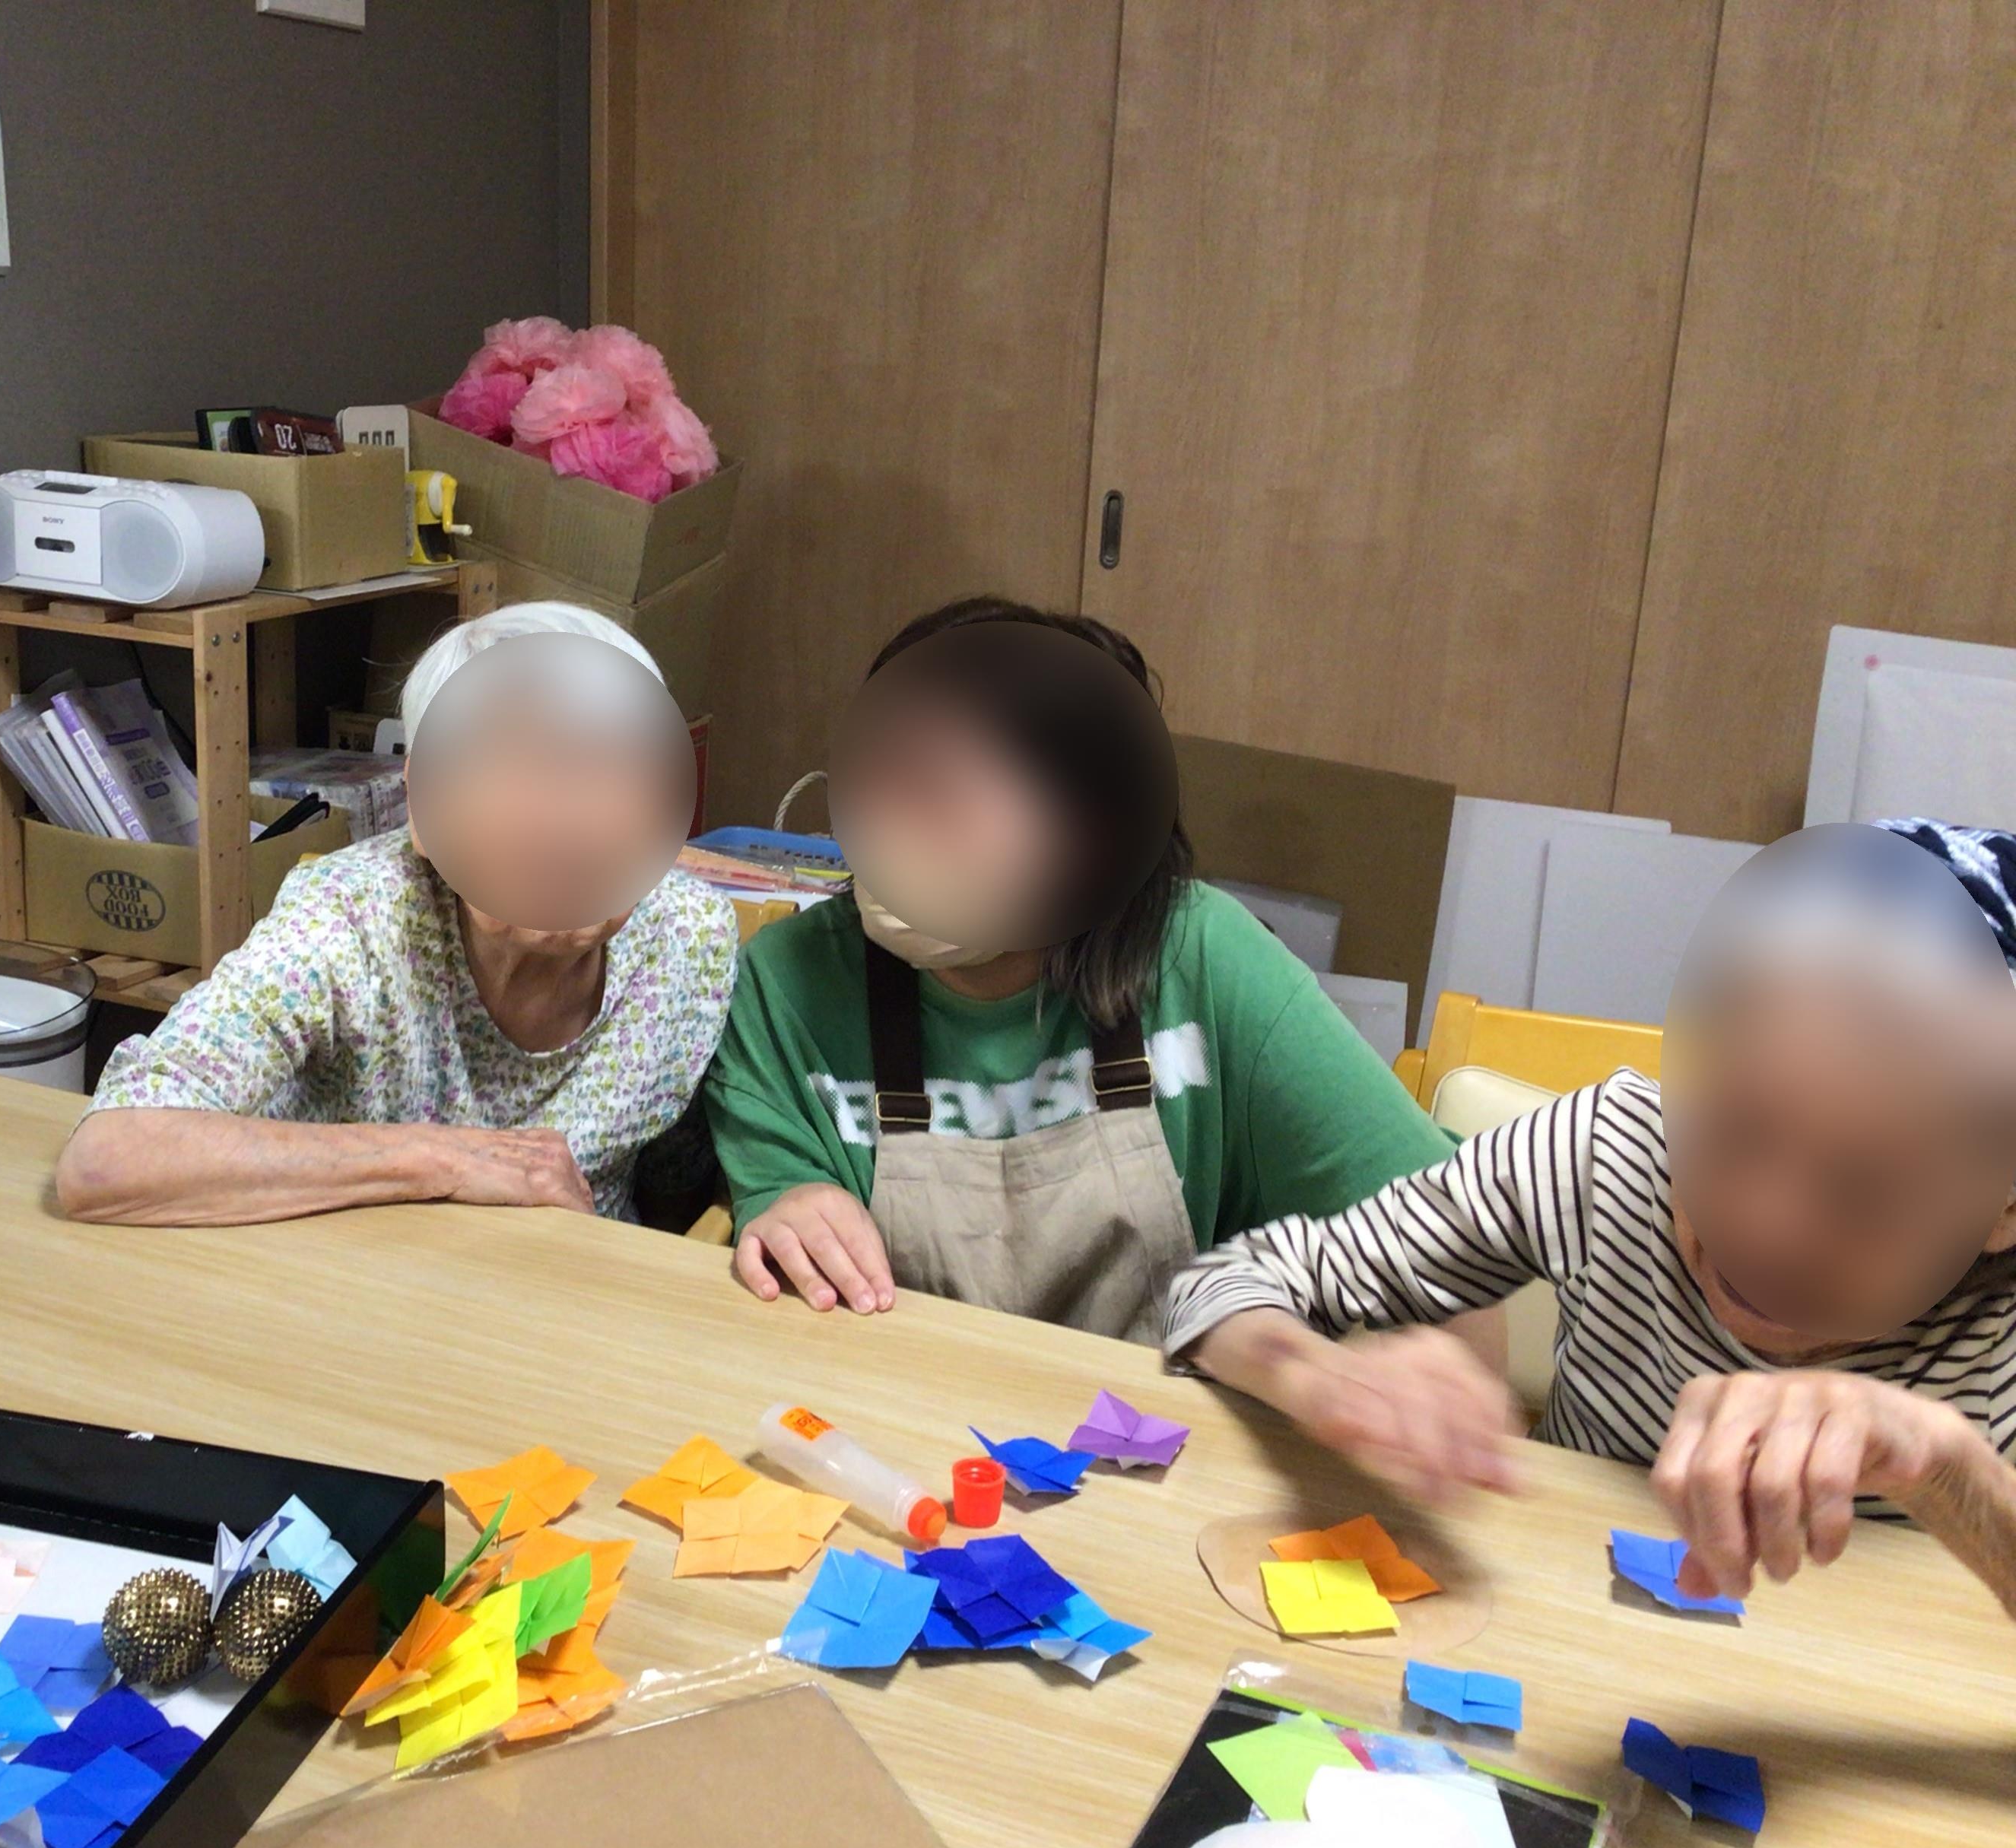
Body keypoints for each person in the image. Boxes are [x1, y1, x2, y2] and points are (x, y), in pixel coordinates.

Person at [1167, 821, 2016, 1614]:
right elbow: (1216, 1288)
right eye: (1737, 1129)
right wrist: (1322, 1378)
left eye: (1863, 1193)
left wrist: (1946, 1469)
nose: (1767, 1224)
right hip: (1568, 1656)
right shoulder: (1609, 1154)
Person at [703, 596, 1456, 1343]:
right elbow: (779, 1224)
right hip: (900, 1404)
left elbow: (1442, 1228)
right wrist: (788, 1204)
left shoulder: (1202, 957)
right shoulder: (784, 983)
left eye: (943, 801)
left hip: (1162, 1409)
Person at [56, 602, 735, 1227]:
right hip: (352, 1284)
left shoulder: (690, 936)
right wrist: (442, 1159)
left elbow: (676, 1191)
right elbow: (111, 1157)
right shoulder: (350, 918)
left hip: (568, 1292)